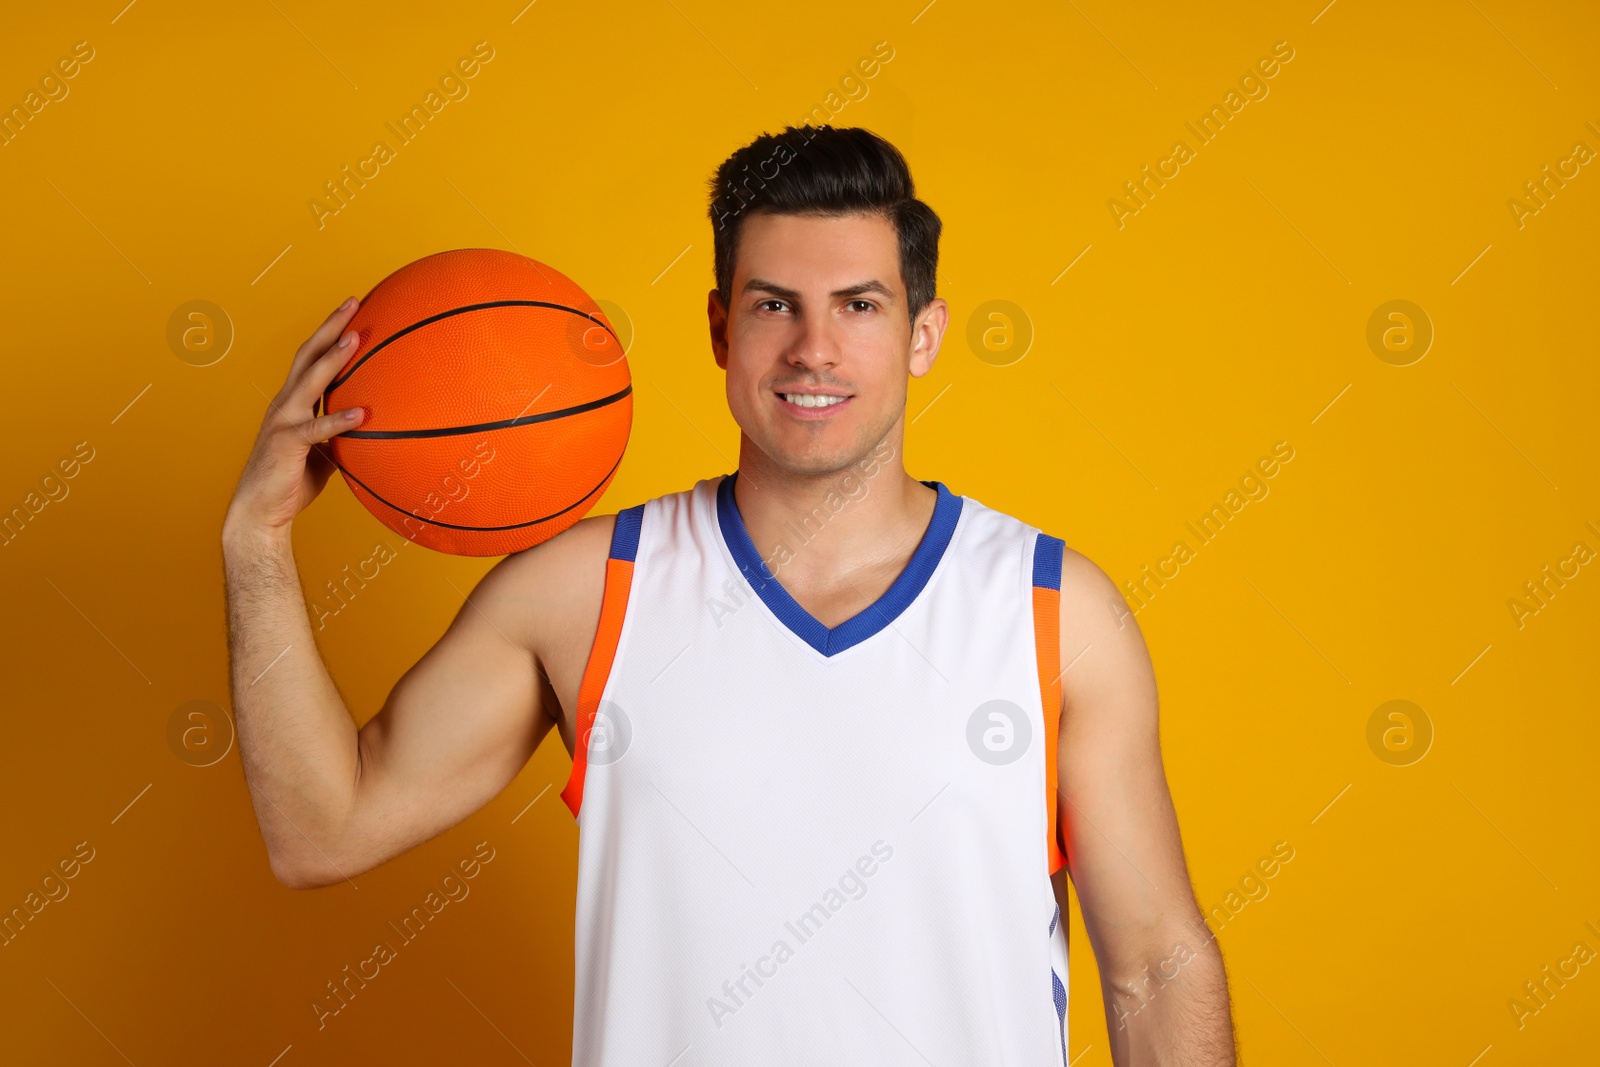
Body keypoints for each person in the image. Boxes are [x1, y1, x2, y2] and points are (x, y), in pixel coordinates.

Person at [223, 124, 1237, 1065]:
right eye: (772, 304)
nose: (812, 350)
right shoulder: (586, 592)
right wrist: (256, 544)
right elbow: (323, 828)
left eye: (859, 304)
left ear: (922, 334)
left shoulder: (1050, 609)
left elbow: (1153, 966)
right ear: (719, 327)